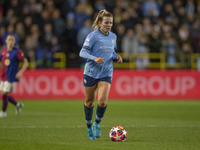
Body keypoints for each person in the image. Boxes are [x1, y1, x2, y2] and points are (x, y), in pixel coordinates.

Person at [79, 9, 122, 140]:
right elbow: (82, 52)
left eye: (111, 23)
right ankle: (88, 127)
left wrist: (117, 56)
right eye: (106, 22)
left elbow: (111, 53)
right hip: (91, 72)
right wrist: (94, 58)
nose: (109, 25)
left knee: (102, 102)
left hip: (106, 72)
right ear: (99, 23)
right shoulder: (92, 36)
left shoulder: (113, 37)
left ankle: (96, 124)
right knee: (89, 101)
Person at [0, 34, 28, 118]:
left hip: (11, 76)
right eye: (9, 39)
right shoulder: (3, 51)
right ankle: (18, 104)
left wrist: (21, 72)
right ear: (6, 41)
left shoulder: (17, 51)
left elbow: (26, 62)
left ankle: (3, 112)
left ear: (14, 41)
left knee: (5, 94)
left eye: (12, 40)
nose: (11, 41)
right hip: (3, 75)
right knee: (4, 94)